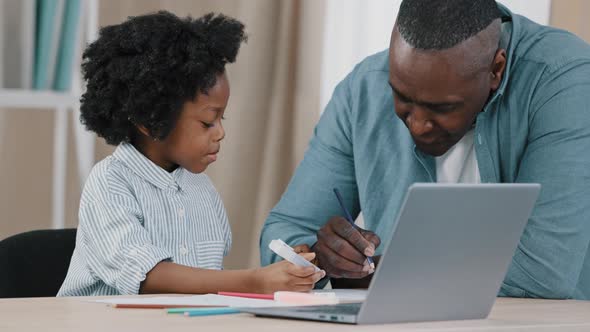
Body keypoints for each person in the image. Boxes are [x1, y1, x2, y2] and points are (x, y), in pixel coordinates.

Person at [261, 0, 590, 300]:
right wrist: (318, 257)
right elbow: (281, 236)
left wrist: (379, 273)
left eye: (442, 108)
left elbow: (544, 272)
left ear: (496, 70)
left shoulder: (565, 81)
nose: (417, 125)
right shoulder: (364, 88)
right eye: (402, 99)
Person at [58, 11, 325, 296]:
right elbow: (149, 278)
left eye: (223, 120)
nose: (220, 132)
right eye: (208, 122)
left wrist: (293, 267)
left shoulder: (202, 190)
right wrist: (257, 281)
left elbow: (207, 281)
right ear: (151, 119)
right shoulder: (109, 183)